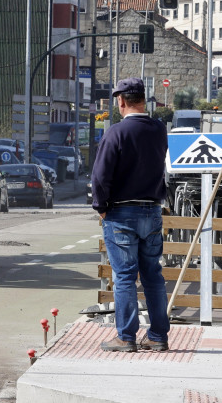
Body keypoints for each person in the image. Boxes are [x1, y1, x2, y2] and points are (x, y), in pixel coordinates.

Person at [91, 77, 169, 353]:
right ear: (143, 99)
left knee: (124, 276)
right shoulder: (159, 129)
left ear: (121, 101)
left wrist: (101, 207)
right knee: (153, 274)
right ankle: (158, 336)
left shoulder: (115, 133)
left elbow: (100, 176)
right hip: (152, 210)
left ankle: (126, 337)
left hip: (121, 213)